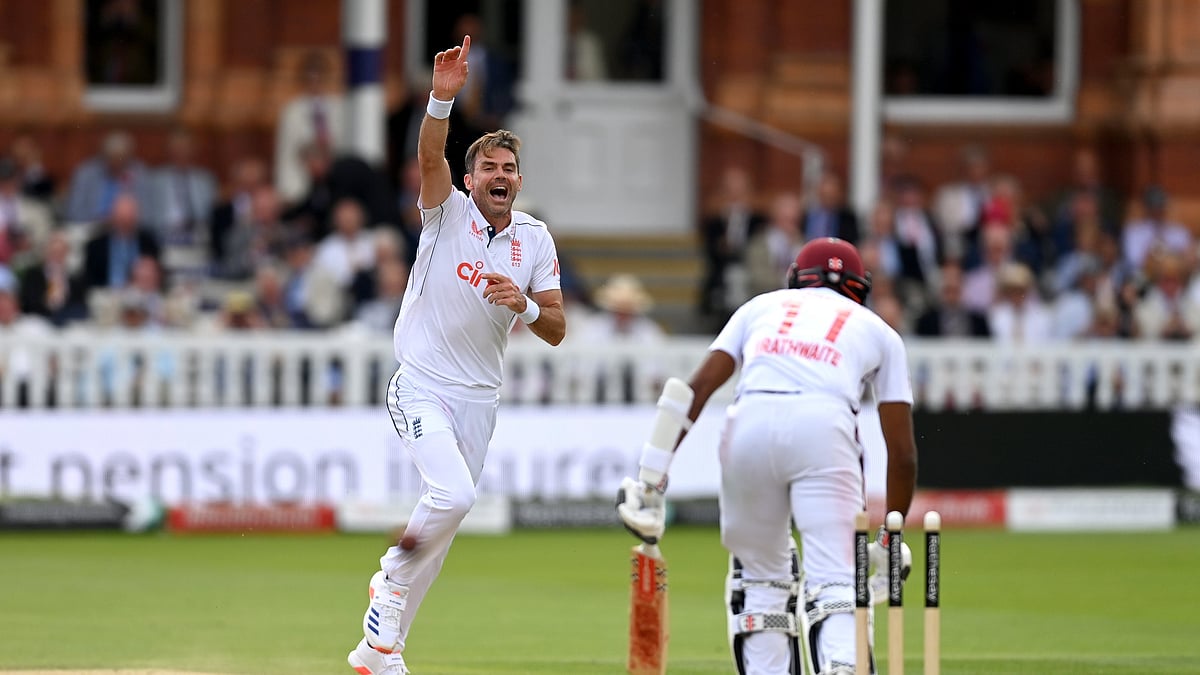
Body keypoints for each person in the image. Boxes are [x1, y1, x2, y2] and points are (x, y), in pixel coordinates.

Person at [346, 36, 566, 675]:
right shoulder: (447, 212)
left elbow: (556, 328)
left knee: (440, 541)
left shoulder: (534, 240)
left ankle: (379, 652)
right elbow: (428, 155)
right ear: (471, 180)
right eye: (489, 168)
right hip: (421, 382)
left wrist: (523, 307)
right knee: (454, 496)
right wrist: (441, 99)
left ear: (519, 181)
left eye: (509, 169)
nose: (500, 176)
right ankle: (389, 577)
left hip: (479, 400)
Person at [617, 237, 918, 674]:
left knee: (760, 580)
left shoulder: (760, 306)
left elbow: (695, 390)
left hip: (749, 423)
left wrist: (651, 479)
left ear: (796, 278)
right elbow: (902, 454)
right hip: (825, 427)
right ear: (860, 286)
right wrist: (891, 535)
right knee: (837, 580)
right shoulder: (881, 332)